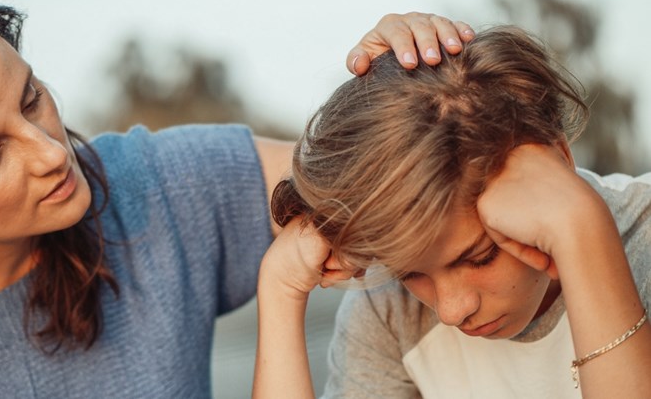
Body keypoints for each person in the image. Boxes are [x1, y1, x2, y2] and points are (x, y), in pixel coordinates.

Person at [0, 0, 477, 397]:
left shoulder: (159, 186)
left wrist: (406, 87)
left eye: (31, 98)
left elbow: (393, 171)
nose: (51, 153)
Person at [254, 26, 651, 398]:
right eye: (409, 272)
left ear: (560, 161)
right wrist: (279, 290)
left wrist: (582, 230)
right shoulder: (389, 312)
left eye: (480, 256)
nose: (451, 309)